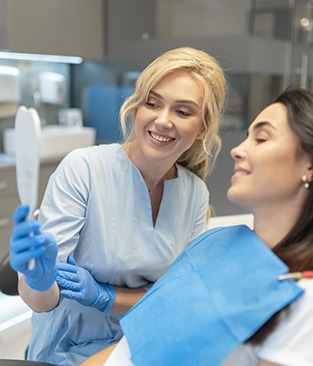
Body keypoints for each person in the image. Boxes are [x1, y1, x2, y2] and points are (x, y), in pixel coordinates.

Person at [9, 47, 226, 365]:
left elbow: (176, 298)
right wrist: (38, 280)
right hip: (70, 346)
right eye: (152, 103)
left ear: (203, 127)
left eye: (182, 111)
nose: (162, 120)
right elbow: (43, 302)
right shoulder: (83, 168)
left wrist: (104, 296)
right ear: (137, 107)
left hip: (146, 340)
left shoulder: (194, 193)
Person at [80, 87, 313, 366]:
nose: (237, 150)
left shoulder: (302, 295)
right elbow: (131, 348)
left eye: (261, 138)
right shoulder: (218, 243)